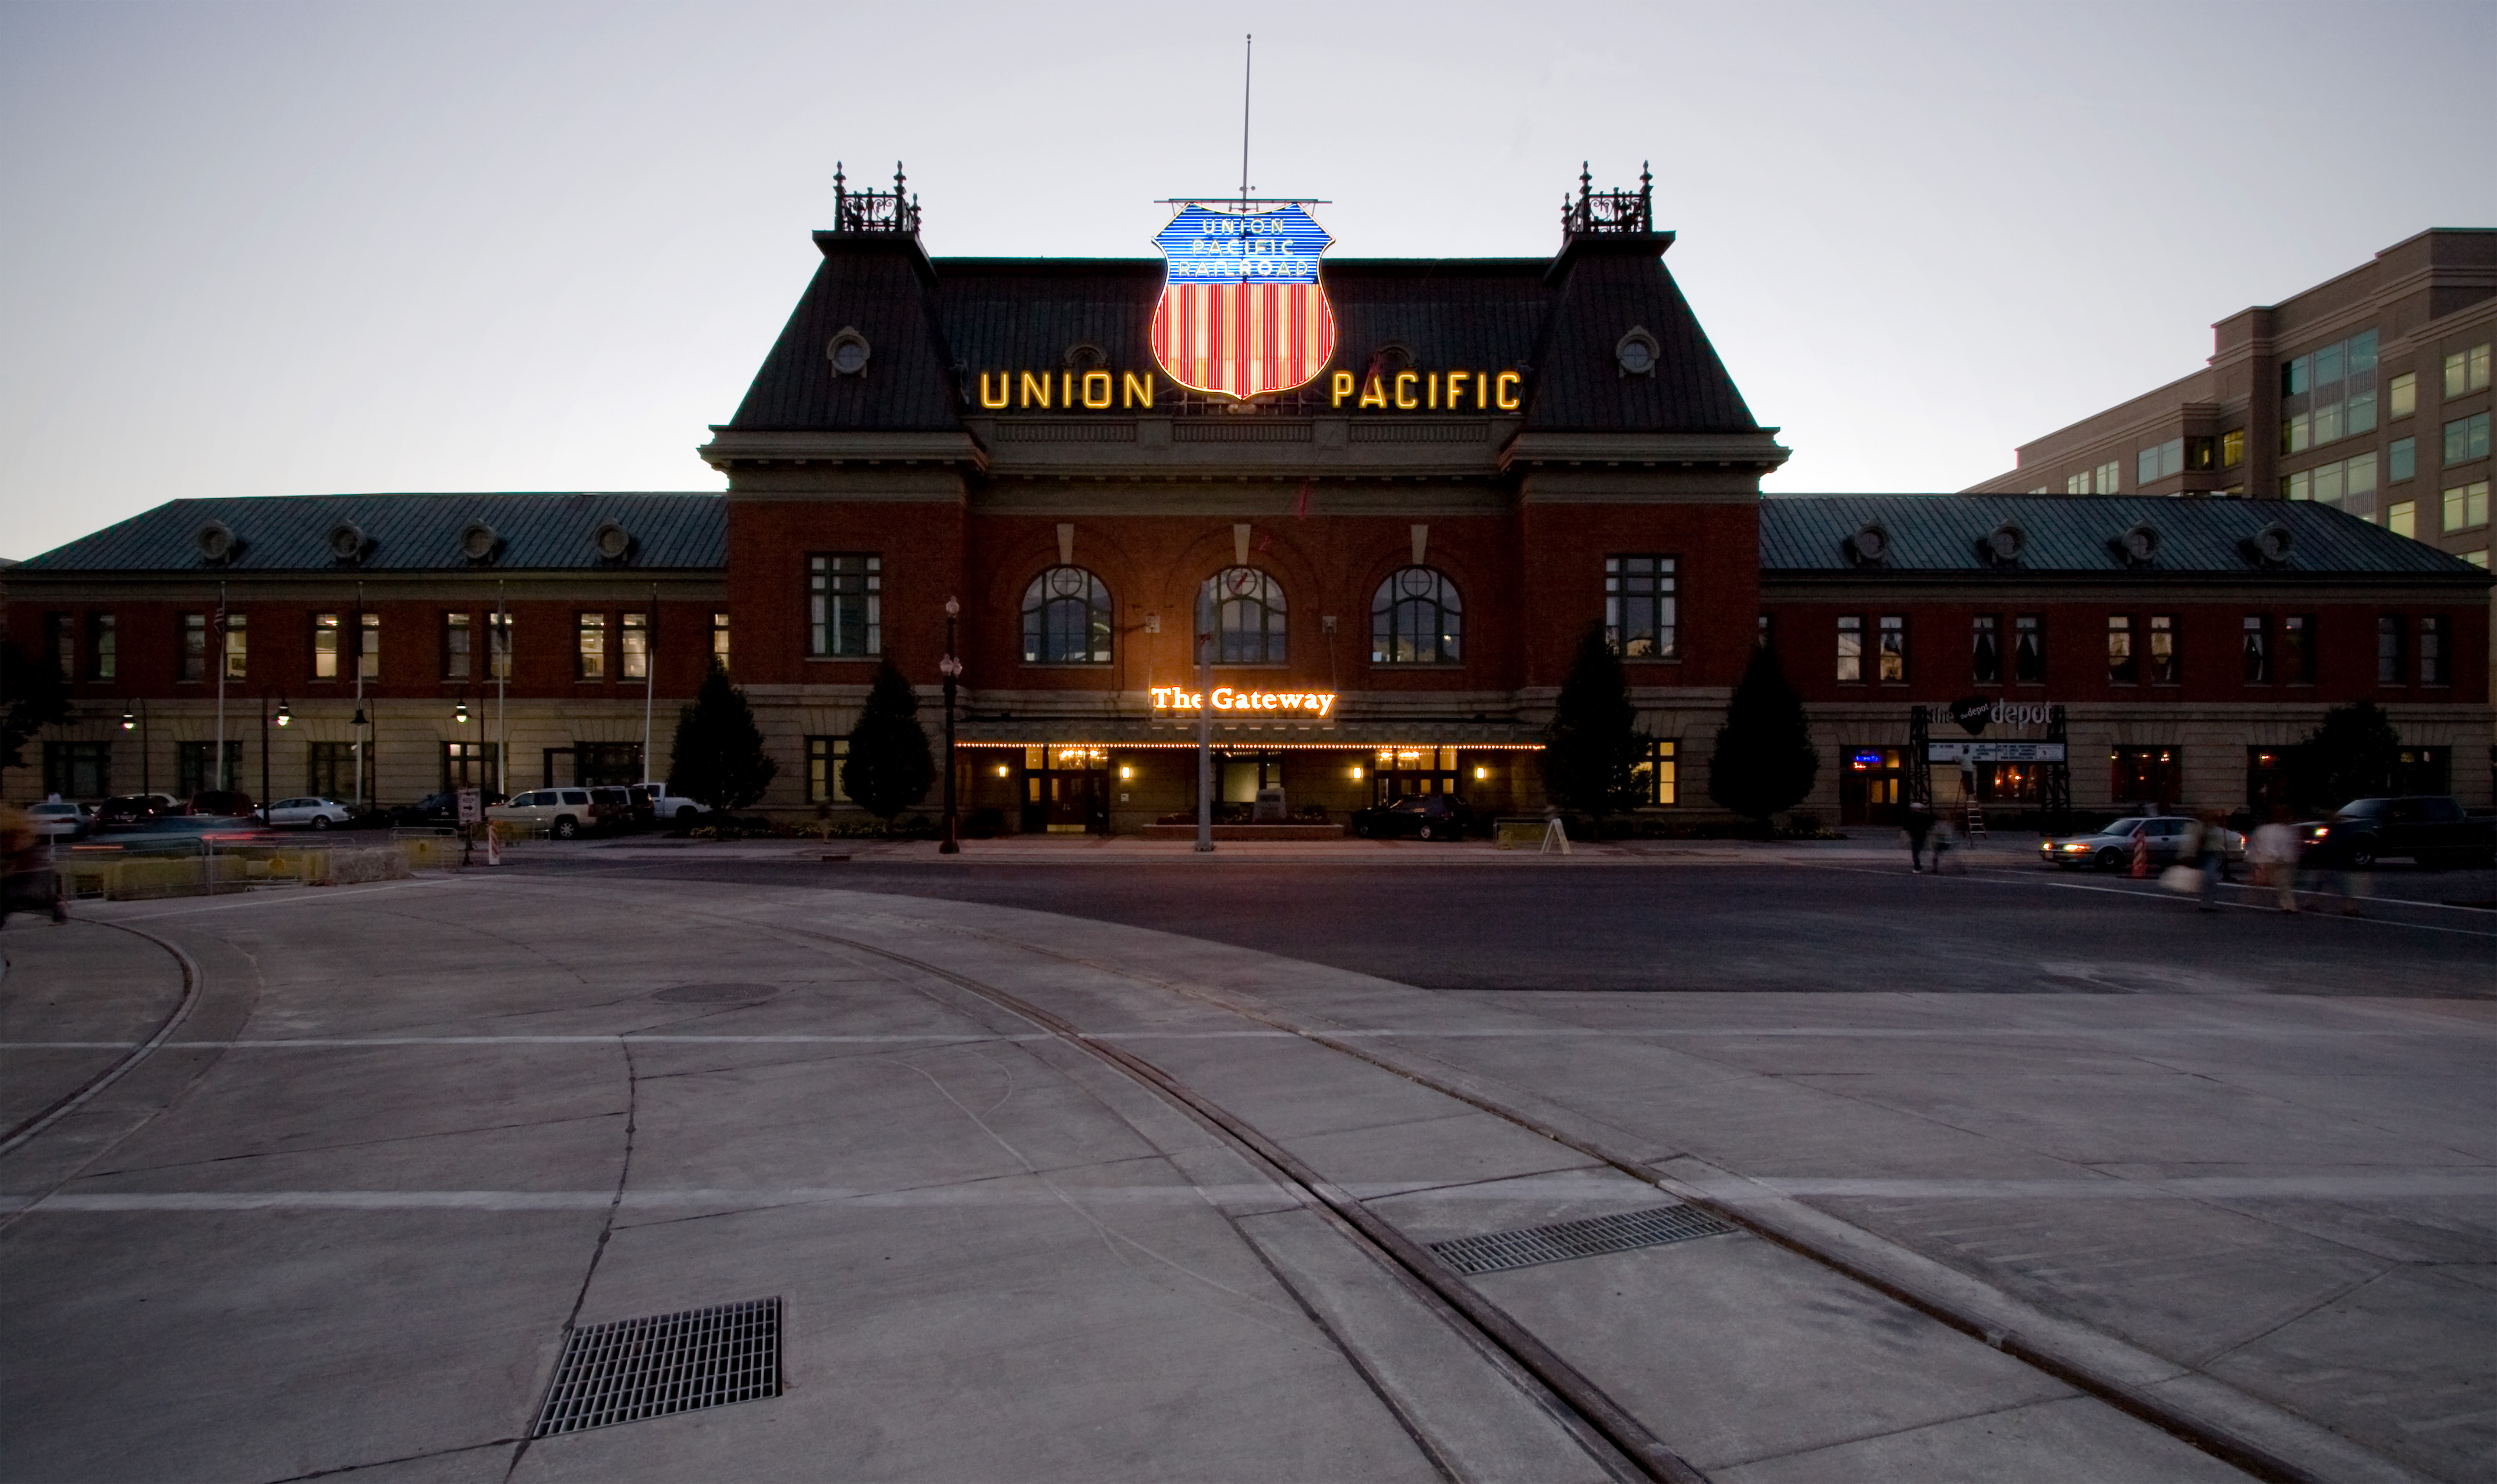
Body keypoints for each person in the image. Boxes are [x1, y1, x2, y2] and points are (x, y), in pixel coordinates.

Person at [0, 803, 66, 928]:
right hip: (12, 869)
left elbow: (17, 850)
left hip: (19, 870)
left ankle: (57, 912)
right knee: (8, 897)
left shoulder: (12, 832)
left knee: (16, 897)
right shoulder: (11, 830)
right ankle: (57, 912)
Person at [2248, 806, 2300, 913]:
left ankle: (2287, 905)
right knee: (2284, 884)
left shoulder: (2263, 830)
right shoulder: (2285, 830)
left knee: (2278, 883)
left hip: (2270, 860)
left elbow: (2260, 846)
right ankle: (2289, 905)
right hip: (2281, 860)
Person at [2187, 809, 2227, 912]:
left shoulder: (2213, 828)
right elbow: (2199, 842)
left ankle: (2207, 902)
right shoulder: (2203, 828)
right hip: (2206, 854)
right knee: (2209, 879)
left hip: (2211, 854)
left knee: (2208, 879)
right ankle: (2207, 902)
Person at [1902, 801, 1936, 873]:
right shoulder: (1926, 817)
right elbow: (1932, 822)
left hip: (1915, 836)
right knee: (1919, 852)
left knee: (1915, 853)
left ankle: (1917, 867)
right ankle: (1921, 865)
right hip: (1922, 836)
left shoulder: (1913, 817)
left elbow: (1907, 827)